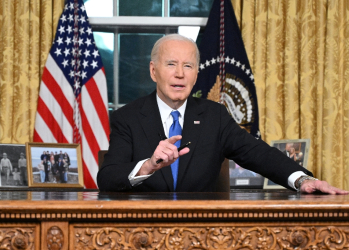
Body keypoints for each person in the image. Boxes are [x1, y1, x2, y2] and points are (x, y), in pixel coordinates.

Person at [97, 34, 348, 195]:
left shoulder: (214, 116)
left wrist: (302, 179)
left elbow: (257, 153)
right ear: (154, 71)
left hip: (202, 230)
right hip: (142, 232)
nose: (180, 74)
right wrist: (149, 165)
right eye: (171, 64)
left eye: (188, 66)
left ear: (196, 74)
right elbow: (108, 178)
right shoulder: (127, 117)